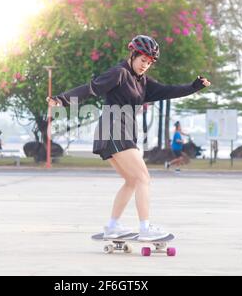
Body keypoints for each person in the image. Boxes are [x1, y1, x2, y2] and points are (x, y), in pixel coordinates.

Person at [46, 35, 211, 241]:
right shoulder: (120, 73)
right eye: (142, 60)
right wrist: (61, 100)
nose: (145, 66)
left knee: (132, 181)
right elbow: (91, 88)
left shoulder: (143, 83)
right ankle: (145, 228)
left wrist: (193, 87)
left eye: (149, 63)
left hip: (118, 134)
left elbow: (168, 90)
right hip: (114, 130)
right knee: (143, 178)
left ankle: (112, 226)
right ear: (132, 55)